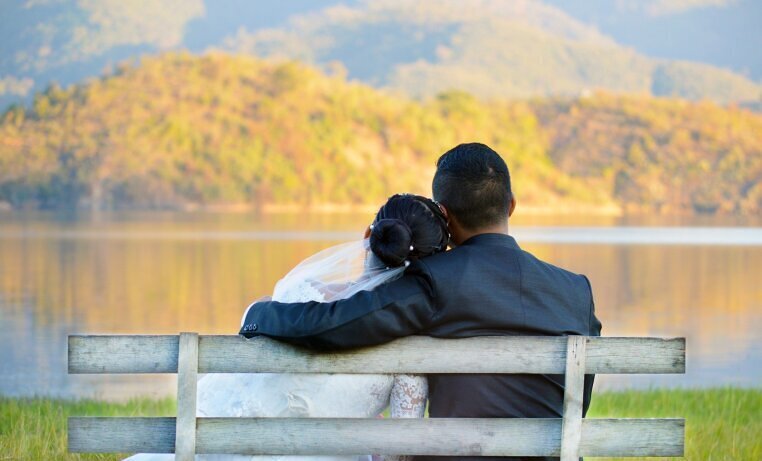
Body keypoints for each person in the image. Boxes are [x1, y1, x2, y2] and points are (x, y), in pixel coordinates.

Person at [242, 143, 603, 461]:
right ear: (511, 206)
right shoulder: (576, 290)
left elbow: (335, 325)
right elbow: (577, 401)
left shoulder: (438, 279)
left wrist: (259, 313)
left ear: (443, 214)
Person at [124, 194, 450, 461]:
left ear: (368, 236)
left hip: (223, 446)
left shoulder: (295, 293)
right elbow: (401, 450)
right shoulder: (411, 349)